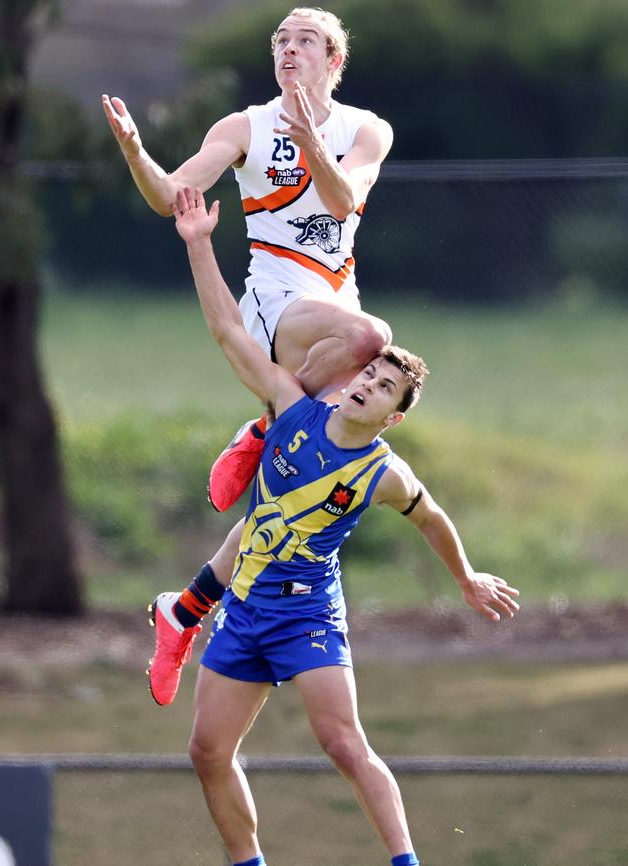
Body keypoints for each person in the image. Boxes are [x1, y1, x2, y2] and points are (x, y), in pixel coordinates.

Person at [149, 186, 521, 866]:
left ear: (393, 416)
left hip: (307, 613)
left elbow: (432, 518)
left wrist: (465, 578)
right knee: (207, 751)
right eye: (370, 373)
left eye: (383, 388)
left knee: (344, 743)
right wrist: (199, 243)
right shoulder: (292, 408)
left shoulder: (383, 472)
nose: (367, 385)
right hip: (247, 607)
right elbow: (231, 332)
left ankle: (405, 861)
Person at [102, 6, 394, 512]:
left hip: (336, 302)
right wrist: (134, 153)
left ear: (333, 59)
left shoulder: (368, 129)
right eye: (282, 40)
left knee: (311, 476)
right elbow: (170, 195)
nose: (289, 49)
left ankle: (198, 591)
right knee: (372, 338)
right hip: (276, 301)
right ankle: (265, 424)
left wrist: (312, 144)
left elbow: (343, 200)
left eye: (305, 41)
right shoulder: (246, 127)